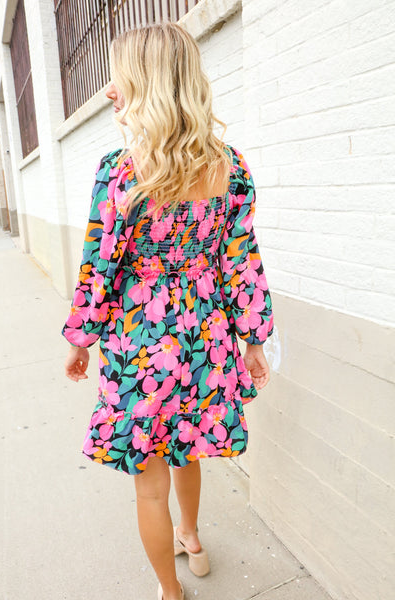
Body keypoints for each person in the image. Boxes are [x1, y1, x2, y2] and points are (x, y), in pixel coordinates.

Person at [62, 22, 274, 600]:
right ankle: (192, 539)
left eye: (120, 78)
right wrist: (254, 340)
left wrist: (80, 339)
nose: (111, 89)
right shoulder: (230, 167)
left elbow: (99, 267)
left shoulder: (120, 171)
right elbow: (242, 263)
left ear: (144, 85)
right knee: (189, 446)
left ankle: (171, 592)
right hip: (205, 335)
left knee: (149, 483)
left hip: (141, 340)